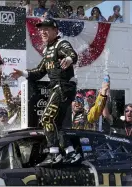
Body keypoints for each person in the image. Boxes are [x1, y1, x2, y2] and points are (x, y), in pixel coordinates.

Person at [10, 18, 80, 165]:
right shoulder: (47, 50)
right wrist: (22, 73)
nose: (43, 32)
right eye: (41, 29)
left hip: (63, 87)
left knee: (47, 119)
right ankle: (71, 153)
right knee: (56, 123)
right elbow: (39, 72)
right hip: (60, 88)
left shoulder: (61, 44)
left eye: (46, 29)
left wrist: (68, 59)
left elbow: (73, 54)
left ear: (56, 31)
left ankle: (54, 154)